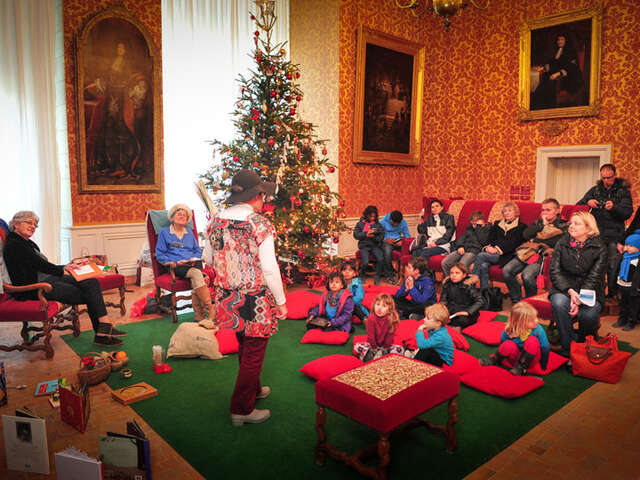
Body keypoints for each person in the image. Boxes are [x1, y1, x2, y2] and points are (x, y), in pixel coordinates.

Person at [206, 169, 287, 427]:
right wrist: (282, 301)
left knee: (245, 344)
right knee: (254, 351)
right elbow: (269, 268)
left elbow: (208, 258)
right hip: (255, 299)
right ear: (258, 196)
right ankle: (241, 408)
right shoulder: (259, 224)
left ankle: (254, 388)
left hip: (229, 297)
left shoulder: (216, 221)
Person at [2, 211, 125, 346]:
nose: (33, 226)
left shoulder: (26, 243)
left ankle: (104, 327)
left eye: (35, 225)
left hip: (46, 279)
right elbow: (40, 264)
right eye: (29, 222)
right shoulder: (14, 244)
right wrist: (63, 270)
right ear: (16, 224)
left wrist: (67, 267)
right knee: (89, 294)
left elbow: (42, 266)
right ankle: (103, 330)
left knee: (91, 282)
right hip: (35, 288)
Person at [549, 211, 606, 358]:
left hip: (590, 290)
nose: (571, 226)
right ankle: (568, 350)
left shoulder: (599, 247)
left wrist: (579, 300)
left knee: (588, 315)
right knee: (558, 303)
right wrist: (570, 292)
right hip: (564, 288)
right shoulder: (562, 242)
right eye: (571, 223)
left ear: (588, 228)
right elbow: (555, 271)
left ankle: (581, 347)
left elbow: (594, 277)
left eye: (577, 223)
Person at [577, 164, 633, 298]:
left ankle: (612, 295)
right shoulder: (595, 190)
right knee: (596, 265)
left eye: (609, 177)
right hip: (596, 234)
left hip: (615, 235)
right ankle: (598, 294)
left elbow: (627, 213)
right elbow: (577, 206)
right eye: (604, 178)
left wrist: (614, 207)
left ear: (614, 175)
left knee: (613, 267)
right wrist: (588, 201)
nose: (606, 181)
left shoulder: (623, 192)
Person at [156, 204, 215, 326]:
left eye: (184, 215)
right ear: (172, 218)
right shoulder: (164, 233)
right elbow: (160, 253)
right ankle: (210, 311)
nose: (182, 216)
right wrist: (174, 262)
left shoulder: (189, 233)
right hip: (176, 265)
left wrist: (194, 258)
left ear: (187, 219)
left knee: (196, 275)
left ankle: (198, 316)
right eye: (179, 214)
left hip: (192, 262)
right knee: (197, 274)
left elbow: (197, 250)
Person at [502, 198, 567, 304]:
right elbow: (525, 234)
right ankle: (517, 299)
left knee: (527, 275)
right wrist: (542, 225)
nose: (545, 213)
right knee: (507, 270)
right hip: (527, 252)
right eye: (543, 210)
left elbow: (557, 242)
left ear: (557, 210)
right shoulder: (539, 222)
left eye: (548, 210)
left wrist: (536, 239)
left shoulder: (563, 224)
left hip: (543, 256)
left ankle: (531, 302)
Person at [479, 302, 550, 375]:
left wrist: (543, 365)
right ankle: (496, 360)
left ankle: (521, 367)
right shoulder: (509, 330)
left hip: (529, 360)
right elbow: (502, 345)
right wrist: (500, 356)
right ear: (521, 322)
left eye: (536, 317)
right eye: (532, 320)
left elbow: (545, 347)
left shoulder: (538, 329)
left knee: (532, 341)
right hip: (515, 358)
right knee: (508, 344)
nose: (537, 321)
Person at [472, 202, 527, 290]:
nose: (507, 213)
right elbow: (490, 238)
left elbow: (514, 243)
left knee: (481, 256)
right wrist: (488, 248)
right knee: (483, 266)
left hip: (508, 255)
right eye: (505, 211)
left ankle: (472, 281)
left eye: (510, 210)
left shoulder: (521, 227)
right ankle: (485, 293)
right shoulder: (497, 224)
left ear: (516, 212)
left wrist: (497, 249)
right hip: (493, 254)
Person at [531, 33, 584, 110]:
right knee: (545, 79)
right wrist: (542, 68)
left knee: (551, 82)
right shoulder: (558, 51)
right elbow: (553, 64)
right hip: (559, 75)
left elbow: (572, 68)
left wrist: (558, 73)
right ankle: (540, 106)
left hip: (570, 77)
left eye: (562, 39)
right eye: (558, 39)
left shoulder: (571, 52)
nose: (559, 41)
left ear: (566, 40)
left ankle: (549, 106)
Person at [353, 293, 403, 362]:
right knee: (357, 346)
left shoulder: (391, 319)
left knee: (399, 349)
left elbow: (390, 336)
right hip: (372, 346)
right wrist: (374, 348)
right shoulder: (371, 318)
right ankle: (372, 355)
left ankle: (381, 356)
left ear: (389, 309)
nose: (379, 308)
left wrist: (385, 348)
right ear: (374, 305)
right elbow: (371, 336)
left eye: (384, 306)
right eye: (378, 304)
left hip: (386, 346)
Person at [441, 210, 490, 277]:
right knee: (445, 262)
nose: (473, 226)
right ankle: (451, 282)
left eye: (475, 224)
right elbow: (461, 238)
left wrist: (479, 227)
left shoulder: (488, 229)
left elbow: (483, 241)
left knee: (461, 265)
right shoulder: (470, 228)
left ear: (482, 221)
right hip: (463, 249)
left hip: (474, 251)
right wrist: (460, 246)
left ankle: (462, 285)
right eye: (472, 223)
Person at [440, 263, 484, 329]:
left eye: (457, 273)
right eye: (451, 273)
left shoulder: (468, 285)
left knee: (462, 320)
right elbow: (443, 299)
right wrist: (442, 309)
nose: (454, 275)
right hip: (452, 310)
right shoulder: (447, 284)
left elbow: (480, 300)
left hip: (465, 311)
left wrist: (468, 312)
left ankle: (454, 328)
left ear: (464, 275)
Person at [412, 199, 456, 265]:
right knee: (415, 252)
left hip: (443, 245)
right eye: (432, 207)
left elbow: (448, 236)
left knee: (425, 253)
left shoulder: (449, 218)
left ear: (442, 207)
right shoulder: (430, 219)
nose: (435, 208)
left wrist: (436, 243)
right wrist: (421, 219)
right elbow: (422, 231)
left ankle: (424, 274)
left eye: (437, 206)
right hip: (431, 244)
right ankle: (415, 272)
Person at [611, 230, 640, 331]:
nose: (627, 247)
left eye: (631, 246)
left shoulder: (637, 259)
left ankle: (631, 321)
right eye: (626, 245)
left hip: (634, 287)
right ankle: (622, 319)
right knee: (623, 303)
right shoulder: (623, 256)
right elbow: (616, 269)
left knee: (633, 306)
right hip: (622, 284)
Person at [353, 205, 384, 285]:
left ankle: (377, 276)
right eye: (371, 216)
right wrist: (366, 234)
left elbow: (381, 237)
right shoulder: (360, 224)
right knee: (365, 262)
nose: (372, 218)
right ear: (366, 215)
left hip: (374, 245)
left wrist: (374, 237)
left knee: (380, 259)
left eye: (374, 216)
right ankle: (362, 274)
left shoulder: (378, 225)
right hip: (364, 246)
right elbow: (356, 235)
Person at [379, 210, 410, 283]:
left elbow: (407, 235)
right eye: (393, 223)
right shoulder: (383, 221)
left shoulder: (403, 222)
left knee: (408, 250)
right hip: (386, 241)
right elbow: (378, 235)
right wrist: (385, 239)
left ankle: (406, 274)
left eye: (397, 224)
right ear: (390, 219)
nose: (395, 225)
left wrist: (403, 242)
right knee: (387, 252)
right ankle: (389, 275)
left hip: (398, 241)